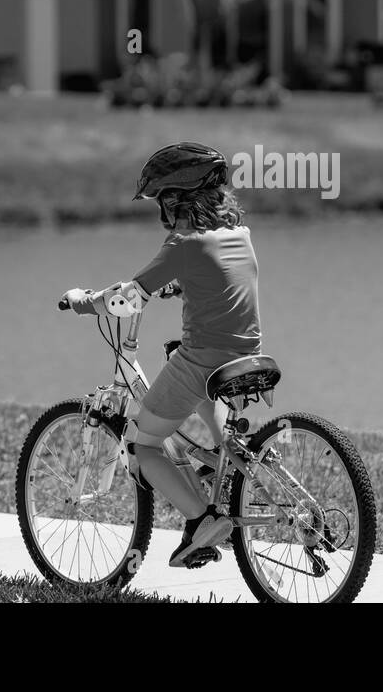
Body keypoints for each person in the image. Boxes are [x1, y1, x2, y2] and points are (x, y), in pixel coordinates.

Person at [62, 142, 261, 568]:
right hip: (247, 355)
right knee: (176, 353)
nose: (160, 216)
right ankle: (228, 452)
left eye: (161, 204)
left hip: (204, 361)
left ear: (175, 200)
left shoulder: (183, 244)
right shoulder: (239, 235)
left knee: (141, 444)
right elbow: (216, 278)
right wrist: (177, 285)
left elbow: (126, 299)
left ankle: (201, 520)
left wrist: (84, 300)